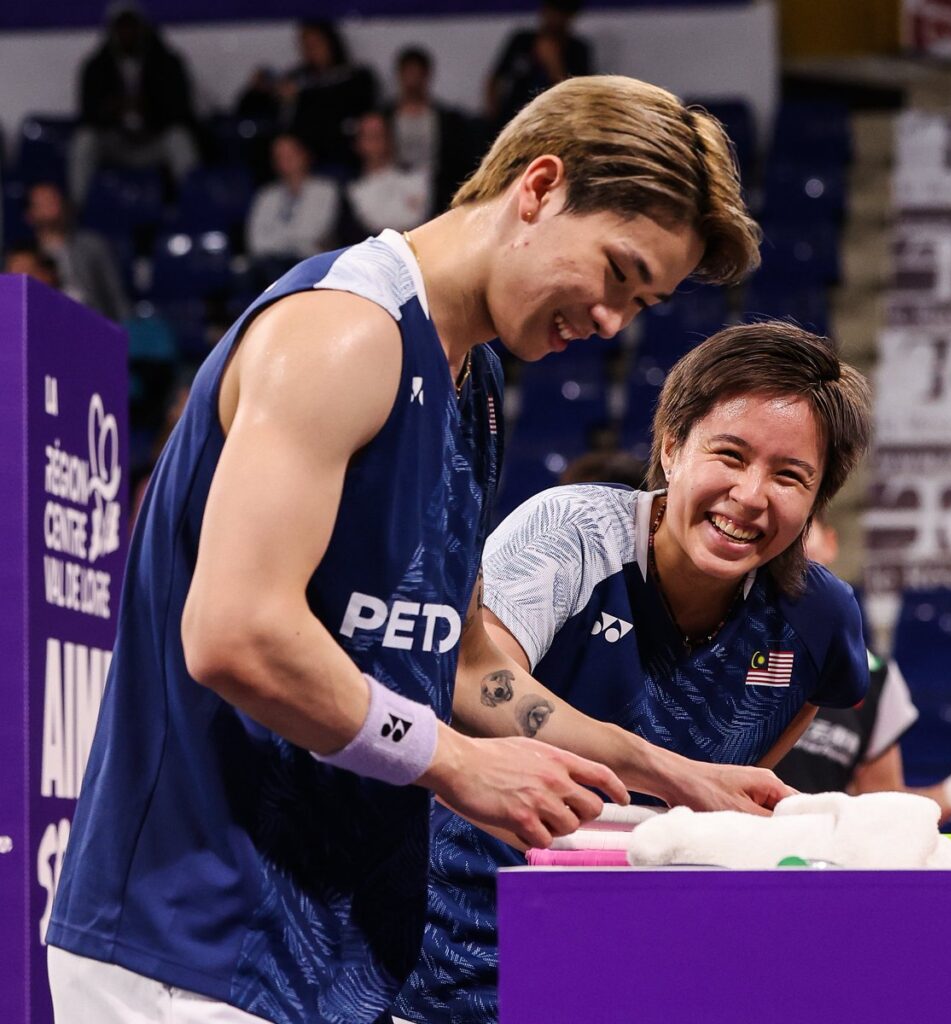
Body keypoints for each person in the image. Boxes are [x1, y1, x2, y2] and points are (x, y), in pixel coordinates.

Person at [46, 76, 776, 1024]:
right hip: (191, 946)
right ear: (539, 186)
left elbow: (468, 665)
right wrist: (456, 767)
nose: (610, 323)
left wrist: (669, 773)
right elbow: (235, 634)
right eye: (616, 273)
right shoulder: (343, 333)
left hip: (326, 956)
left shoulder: (470, 385)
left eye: (640, 305)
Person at [393, 322, 873, 1024]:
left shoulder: (819, 618)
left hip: (652, 968)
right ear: (672, 446)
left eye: (790, 476)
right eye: (730, 455)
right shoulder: (572, 531)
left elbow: (743, 777)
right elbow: (476, 683)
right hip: (457, 957)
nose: (750, 495)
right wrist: (674, 771)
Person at [775, 516, 951, 822]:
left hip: (816, 860)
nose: (793, 544)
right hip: (724, 853)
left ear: (830, 543)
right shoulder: (719, 645)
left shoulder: (876, 677)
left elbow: (882, 805)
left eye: (804, 529)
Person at [69, 2, 199, 206]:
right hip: (115, 141)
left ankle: (193, 206)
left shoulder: (167, 62)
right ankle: (80, 210)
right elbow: (87, 115)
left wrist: (150, 108)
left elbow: (182, 111)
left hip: (154, 139)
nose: (127, 32)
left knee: (179, 139)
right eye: (121, 26)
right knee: (84, 141)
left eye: (132, 26)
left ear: (143, 27)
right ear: (111, 30)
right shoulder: (96, 66)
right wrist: (112, 109)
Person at [238, 19, 378, 170]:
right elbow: (246, 109)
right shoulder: (296, 77)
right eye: (305, 45)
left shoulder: (356, 76)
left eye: (315, 43)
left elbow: (344, 109)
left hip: (341, 153)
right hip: (299, 156)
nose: (310, 50)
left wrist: (302, 96)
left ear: (331, 42)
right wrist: (257, 90)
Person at [385, 46, 484, 216]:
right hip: (394, 186)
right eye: (408, 74)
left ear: (427, 75)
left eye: (417, 74)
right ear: (399, 76)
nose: (412, 81)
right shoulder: (385, 116)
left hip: (438, 190)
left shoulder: (449, 120)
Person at [24, 180, 131, 321]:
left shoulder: (93, 245)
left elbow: (115, 295)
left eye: (54, 200)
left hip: (92, 323)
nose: (51, 206)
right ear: (30, 214)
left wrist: (127, 331)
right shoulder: (26, 257)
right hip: (46, 324)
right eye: (43, 202)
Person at [246, 133, 340, 286]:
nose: (286, 160)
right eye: (279, 156)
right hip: (272, 267)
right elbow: (256, 242)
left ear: (305, 154)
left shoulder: (325, 190)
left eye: (291, 153)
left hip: (311, 266)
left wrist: (279, 239)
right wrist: (294, 242)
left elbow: (312, 233)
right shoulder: (266, 196)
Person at [487, 1, 592, 127]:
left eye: (561, 14)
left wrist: (553, 64)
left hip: (553, 120)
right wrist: (493, 114)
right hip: (513, 116)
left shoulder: (577, 50)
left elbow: (578, 95)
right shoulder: (522, 41)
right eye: (552, 11)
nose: (555, 19)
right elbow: (496, 78)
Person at [341, 112, 431, 239]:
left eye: (380, 135)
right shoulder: (353, 189)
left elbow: (414, 219)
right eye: (370, 136)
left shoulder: (416, 177)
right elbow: (372, 223)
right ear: (358, 143)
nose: (376, 142)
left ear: (390, 138)